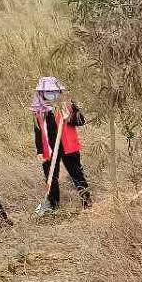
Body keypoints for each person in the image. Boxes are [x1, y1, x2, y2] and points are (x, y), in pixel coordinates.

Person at [32, 76, 92, 211]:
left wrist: (69, 117)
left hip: (68, 146)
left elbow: (81, 121)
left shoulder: (67, 104)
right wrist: (39, 151)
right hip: (49, 148)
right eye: (47, 91)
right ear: (41, 92)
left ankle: (86, 201)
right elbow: (37, 131)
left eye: (54, 91)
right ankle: (53, 204)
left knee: (76, 173)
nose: (51, 94)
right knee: (50, 176)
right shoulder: (39, 110)